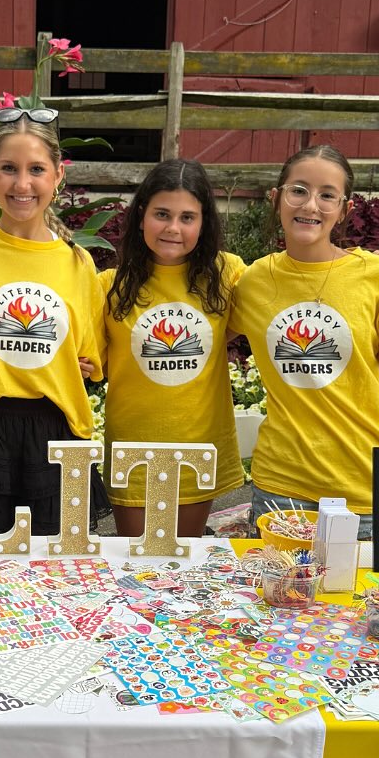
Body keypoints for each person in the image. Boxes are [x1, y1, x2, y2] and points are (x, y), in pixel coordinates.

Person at [229, 145, 379, 541]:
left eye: (327, 194)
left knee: (369, 603)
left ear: (345, 209)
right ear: (277, 197)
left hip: (364, 485)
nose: (310, 204)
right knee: (279, 602)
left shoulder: (375, 275)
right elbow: (207, 337)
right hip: (282, 487)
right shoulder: (251, 281)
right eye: (298, 190)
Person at [0, 107, 106, 535]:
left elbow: (84, 357)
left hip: (54, 431)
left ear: (57, 176)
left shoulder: (77, 262)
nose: (22, 184)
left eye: (36, 169)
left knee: (56, 574)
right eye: (9, 169)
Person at [99, 159, 246, 538]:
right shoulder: (108, 286)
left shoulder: (227, 276)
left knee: (186, 568)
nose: (173, 228)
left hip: (197, 445)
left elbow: (292, 284)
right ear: (141, 215)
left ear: (204, 223)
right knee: (132, 564)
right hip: (132, 448)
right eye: (162, 214)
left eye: (187, 217)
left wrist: (365, 266)